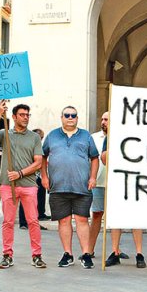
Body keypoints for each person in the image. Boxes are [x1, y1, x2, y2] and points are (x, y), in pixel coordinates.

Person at [0, 100, 46, 269]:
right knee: (8, 221)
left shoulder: (34, 137)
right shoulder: (6, 133)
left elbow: (38, 162)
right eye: (22, 115)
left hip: (28, 185)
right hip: (7, 185)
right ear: (13, 117)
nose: (26, 118)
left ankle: (37, 255)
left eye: (28, 115)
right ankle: (7, 255)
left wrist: (19, 173)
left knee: (33, 221)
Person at [42, 106, 99, 269]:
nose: (70, 118)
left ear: (77, 118)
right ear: (61, 117)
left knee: (82, 220)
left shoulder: (86, 136)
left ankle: (86, 254)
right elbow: (43, 156)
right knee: (64, 221)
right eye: (67, 115)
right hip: (58, 187)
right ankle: (67, 254)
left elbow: (94, 157)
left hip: (82, 186)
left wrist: (93, 177)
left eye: (73, 115)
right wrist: (45, 177)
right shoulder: (52, 136)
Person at [103, 124, 147, 269]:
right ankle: (115, 252)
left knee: (136, 219)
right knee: (116, 219)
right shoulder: (110, 137)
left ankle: (139, 253)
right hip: (117, 182)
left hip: (135, 182)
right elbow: (104, 159)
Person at [89, 112, 111, 259]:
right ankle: (89, 250)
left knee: (116, 219)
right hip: (98, 183)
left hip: (115, 184)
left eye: (107, 119)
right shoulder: (93, 138)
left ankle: (115, 250)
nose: (103, 122)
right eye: (102, 119)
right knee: (96, 215)